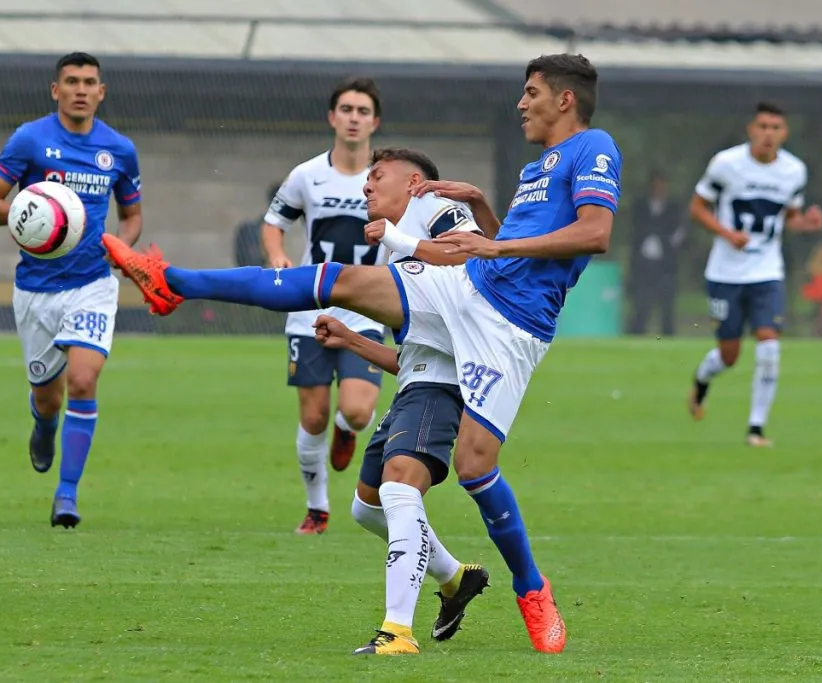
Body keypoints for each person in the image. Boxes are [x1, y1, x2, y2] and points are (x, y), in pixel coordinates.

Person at [104, 53, 621, 654]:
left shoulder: (595, 147)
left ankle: (531, 587)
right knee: (341, 279)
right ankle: (173, 282)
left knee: (476, 465)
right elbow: (505, 241)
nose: (520, 102)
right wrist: (484, 212)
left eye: (531, 92)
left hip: (513, 325)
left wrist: (490, 247)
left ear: (564, 100)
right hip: (472, 288)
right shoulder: (538, 165)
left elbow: (594, 232)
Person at [312, 147, 493, 655]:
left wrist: (398, 236)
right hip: (416, 386)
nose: (367, 187)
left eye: (378, 176)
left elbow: (474, 254)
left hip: (446, 387)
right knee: (367, 509)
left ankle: (397, 632)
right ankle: (456, 579)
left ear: (413, 182)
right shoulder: (394, 250)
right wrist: (351, 339)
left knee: (398, 492)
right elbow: (408, 358)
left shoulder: (433, 211)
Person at [0, 52, 143, 527]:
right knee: (48, 397)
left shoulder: (120, 149)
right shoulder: (30, 139)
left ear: (102, 92)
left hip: (92, 283)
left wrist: (121, 247)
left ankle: (66, 495)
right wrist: (30, 216)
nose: (81, 89)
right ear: (56, 90)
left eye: (90, 82)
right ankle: (44, 424)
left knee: (84, 381)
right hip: (36, 289)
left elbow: (131, 216)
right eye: (71, 81)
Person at [260, 77, 387, 535]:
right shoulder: (307, 175)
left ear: (375, 121)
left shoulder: (386, 178)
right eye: (346, 109)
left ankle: (346, 430)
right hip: (311, 310)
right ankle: (317, 510)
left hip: (367, 309)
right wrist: (276, 254)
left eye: (362, 111)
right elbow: (274, 223)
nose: (354, 118)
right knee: (311, 416)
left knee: (356, 411)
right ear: (333, 118)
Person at [687, 101, 822, 447]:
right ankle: (702, 381)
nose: (768, 134)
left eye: (775, 128)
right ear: (751, 129)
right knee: (729, 354)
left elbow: (788, 217)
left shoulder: (794, 170)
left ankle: (756, 428)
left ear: (785, 133)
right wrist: (726, 234)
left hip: (767, 271)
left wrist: (805, 224)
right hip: (725, 272)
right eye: (762, 126)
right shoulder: (726, 164)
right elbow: (697, 207)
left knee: (769, 344)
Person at [627, 170, 686, 336]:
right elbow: (635, 230)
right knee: (641, 302)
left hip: (665, 264)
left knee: (667, 303)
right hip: (643, 263)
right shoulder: (640, 206)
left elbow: (678, 233)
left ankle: (667, 335)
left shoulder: (674, 207)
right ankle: (636, 334)